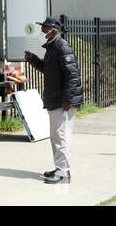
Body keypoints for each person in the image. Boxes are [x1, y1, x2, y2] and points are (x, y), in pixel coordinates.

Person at [25, 16, 83, 184]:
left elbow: (72, 75)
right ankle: (60, 168)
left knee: (61, 135)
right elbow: (49, 70)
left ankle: (63, 173)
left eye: (45, 27)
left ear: (55, 30)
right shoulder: (52, 47)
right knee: (56, 135)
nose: (43, 30)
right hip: (56, 99)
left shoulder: (61, 46)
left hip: (62, 101)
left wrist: (67, 99)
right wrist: (34, 60)